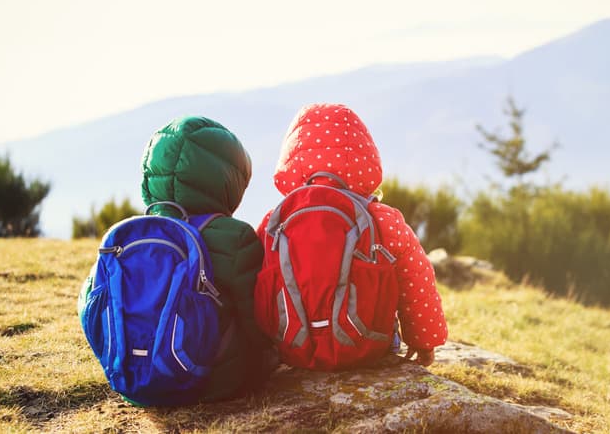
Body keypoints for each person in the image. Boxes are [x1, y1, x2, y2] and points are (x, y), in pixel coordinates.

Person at [80, 115, 273, 403]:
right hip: (215, 383)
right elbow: (256, 320)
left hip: (134, 382)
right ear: (226, 180)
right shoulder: (235, 237)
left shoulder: (128, 238)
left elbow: (89, 305)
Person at [256, 103, 447, 367]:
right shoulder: (383, 219)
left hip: (293, 350)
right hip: (367, 347)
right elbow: (416, 280)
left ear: (291, 159)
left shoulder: (273, 222)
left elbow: (255, 285)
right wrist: (424, 342)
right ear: (364, 155)